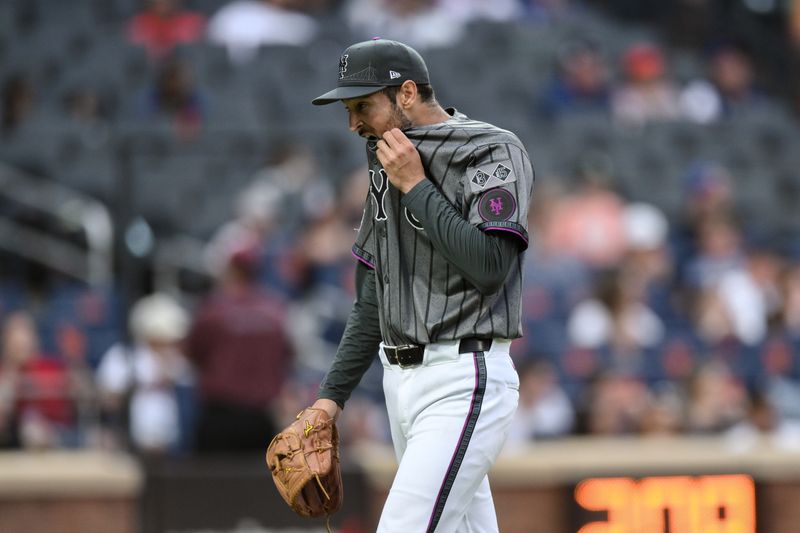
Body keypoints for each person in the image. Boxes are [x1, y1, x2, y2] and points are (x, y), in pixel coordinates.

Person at [308, 39, 534, 532]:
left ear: (406, 93)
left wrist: (416, 185)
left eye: (362, 106)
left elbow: (492, 264)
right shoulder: (382, 156)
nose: (353, 124)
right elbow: (373, 295)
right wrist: (331, 399)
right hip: (400, 382)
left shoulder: (491, 149)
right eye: (348, 110)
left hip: (463, 377)